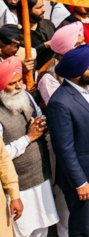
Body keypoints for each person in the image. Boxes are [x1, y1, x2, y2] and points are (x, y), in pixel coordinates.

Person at [47, 45, 89, 237]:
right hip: (83, 178)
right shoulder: (60, 102)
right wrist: (80, 182)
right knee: (82, 230)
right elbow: (64, 149)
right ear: (77, 73)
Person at [0, 57, 57, 237]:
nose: (18, 86)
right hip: (18, 187)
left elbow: (40, 120)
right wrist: (28, 138)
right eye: (12, 84)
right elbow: (2, 155)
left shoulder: (27, 98)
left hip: (41, 177)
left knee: (42, 229)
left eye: (19, 81)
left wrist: (41, 124)